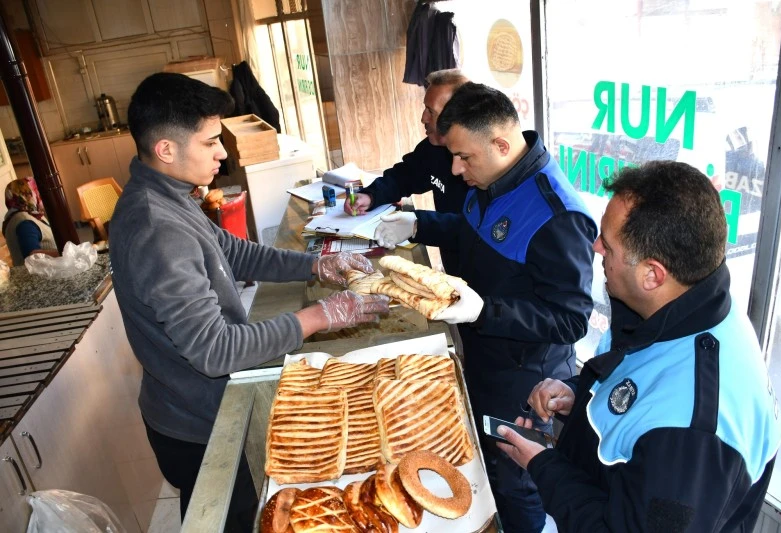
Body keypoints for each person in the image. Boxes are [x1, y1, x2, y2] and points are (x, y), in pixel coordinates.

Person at [109, 72, 389, 531]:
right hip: (197, 423)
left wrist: (313, 265)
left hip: (192, 403)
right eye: (210, 142)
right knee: (229, 516)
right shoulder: (156, 228)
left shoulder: (169, 195)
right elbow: (215, 350)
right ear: (166, 149)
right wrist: (321, 315)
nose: (222, 153)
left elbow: (232, 250)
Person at [496, 161, 781, 532]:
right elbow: (637, 375)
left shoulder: (691, 436)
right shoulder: (683, 306)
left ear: (652, 274)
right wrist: (578, 395)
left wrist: (542, 465)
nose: (595, 247)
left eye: (608, 245)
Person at [374, 82, 597, 532]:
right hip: (480, 353)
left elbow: (572, 319)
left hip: (524, 379)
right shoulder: (491, 177)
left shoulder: (558, 215)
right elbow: (470, 229)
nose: (455, 170)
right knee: (485, 470)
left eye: (464, 158)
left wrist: (484, 312)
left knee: (516, 480)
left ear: (500, 143)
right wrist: (418, 224)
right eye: (453, 156)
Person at [344, 69, 469, 272]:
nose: (423, 118)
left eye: (431, 111)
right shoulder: (432, 149)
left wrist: (417, 224)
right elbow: (404, 176)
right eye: (424, 109)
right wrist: (370, 195)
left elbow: (476, 228)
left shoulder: (482, 165)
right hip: (453, 265)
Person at [2, 176, 58, 265]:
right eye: (36, 192)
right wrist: (62, 253)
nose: (39, 195)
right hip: (40, 276)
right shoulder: (24, 222)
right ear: (27, 195)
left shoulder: (33, 214)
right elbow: (32, 257)